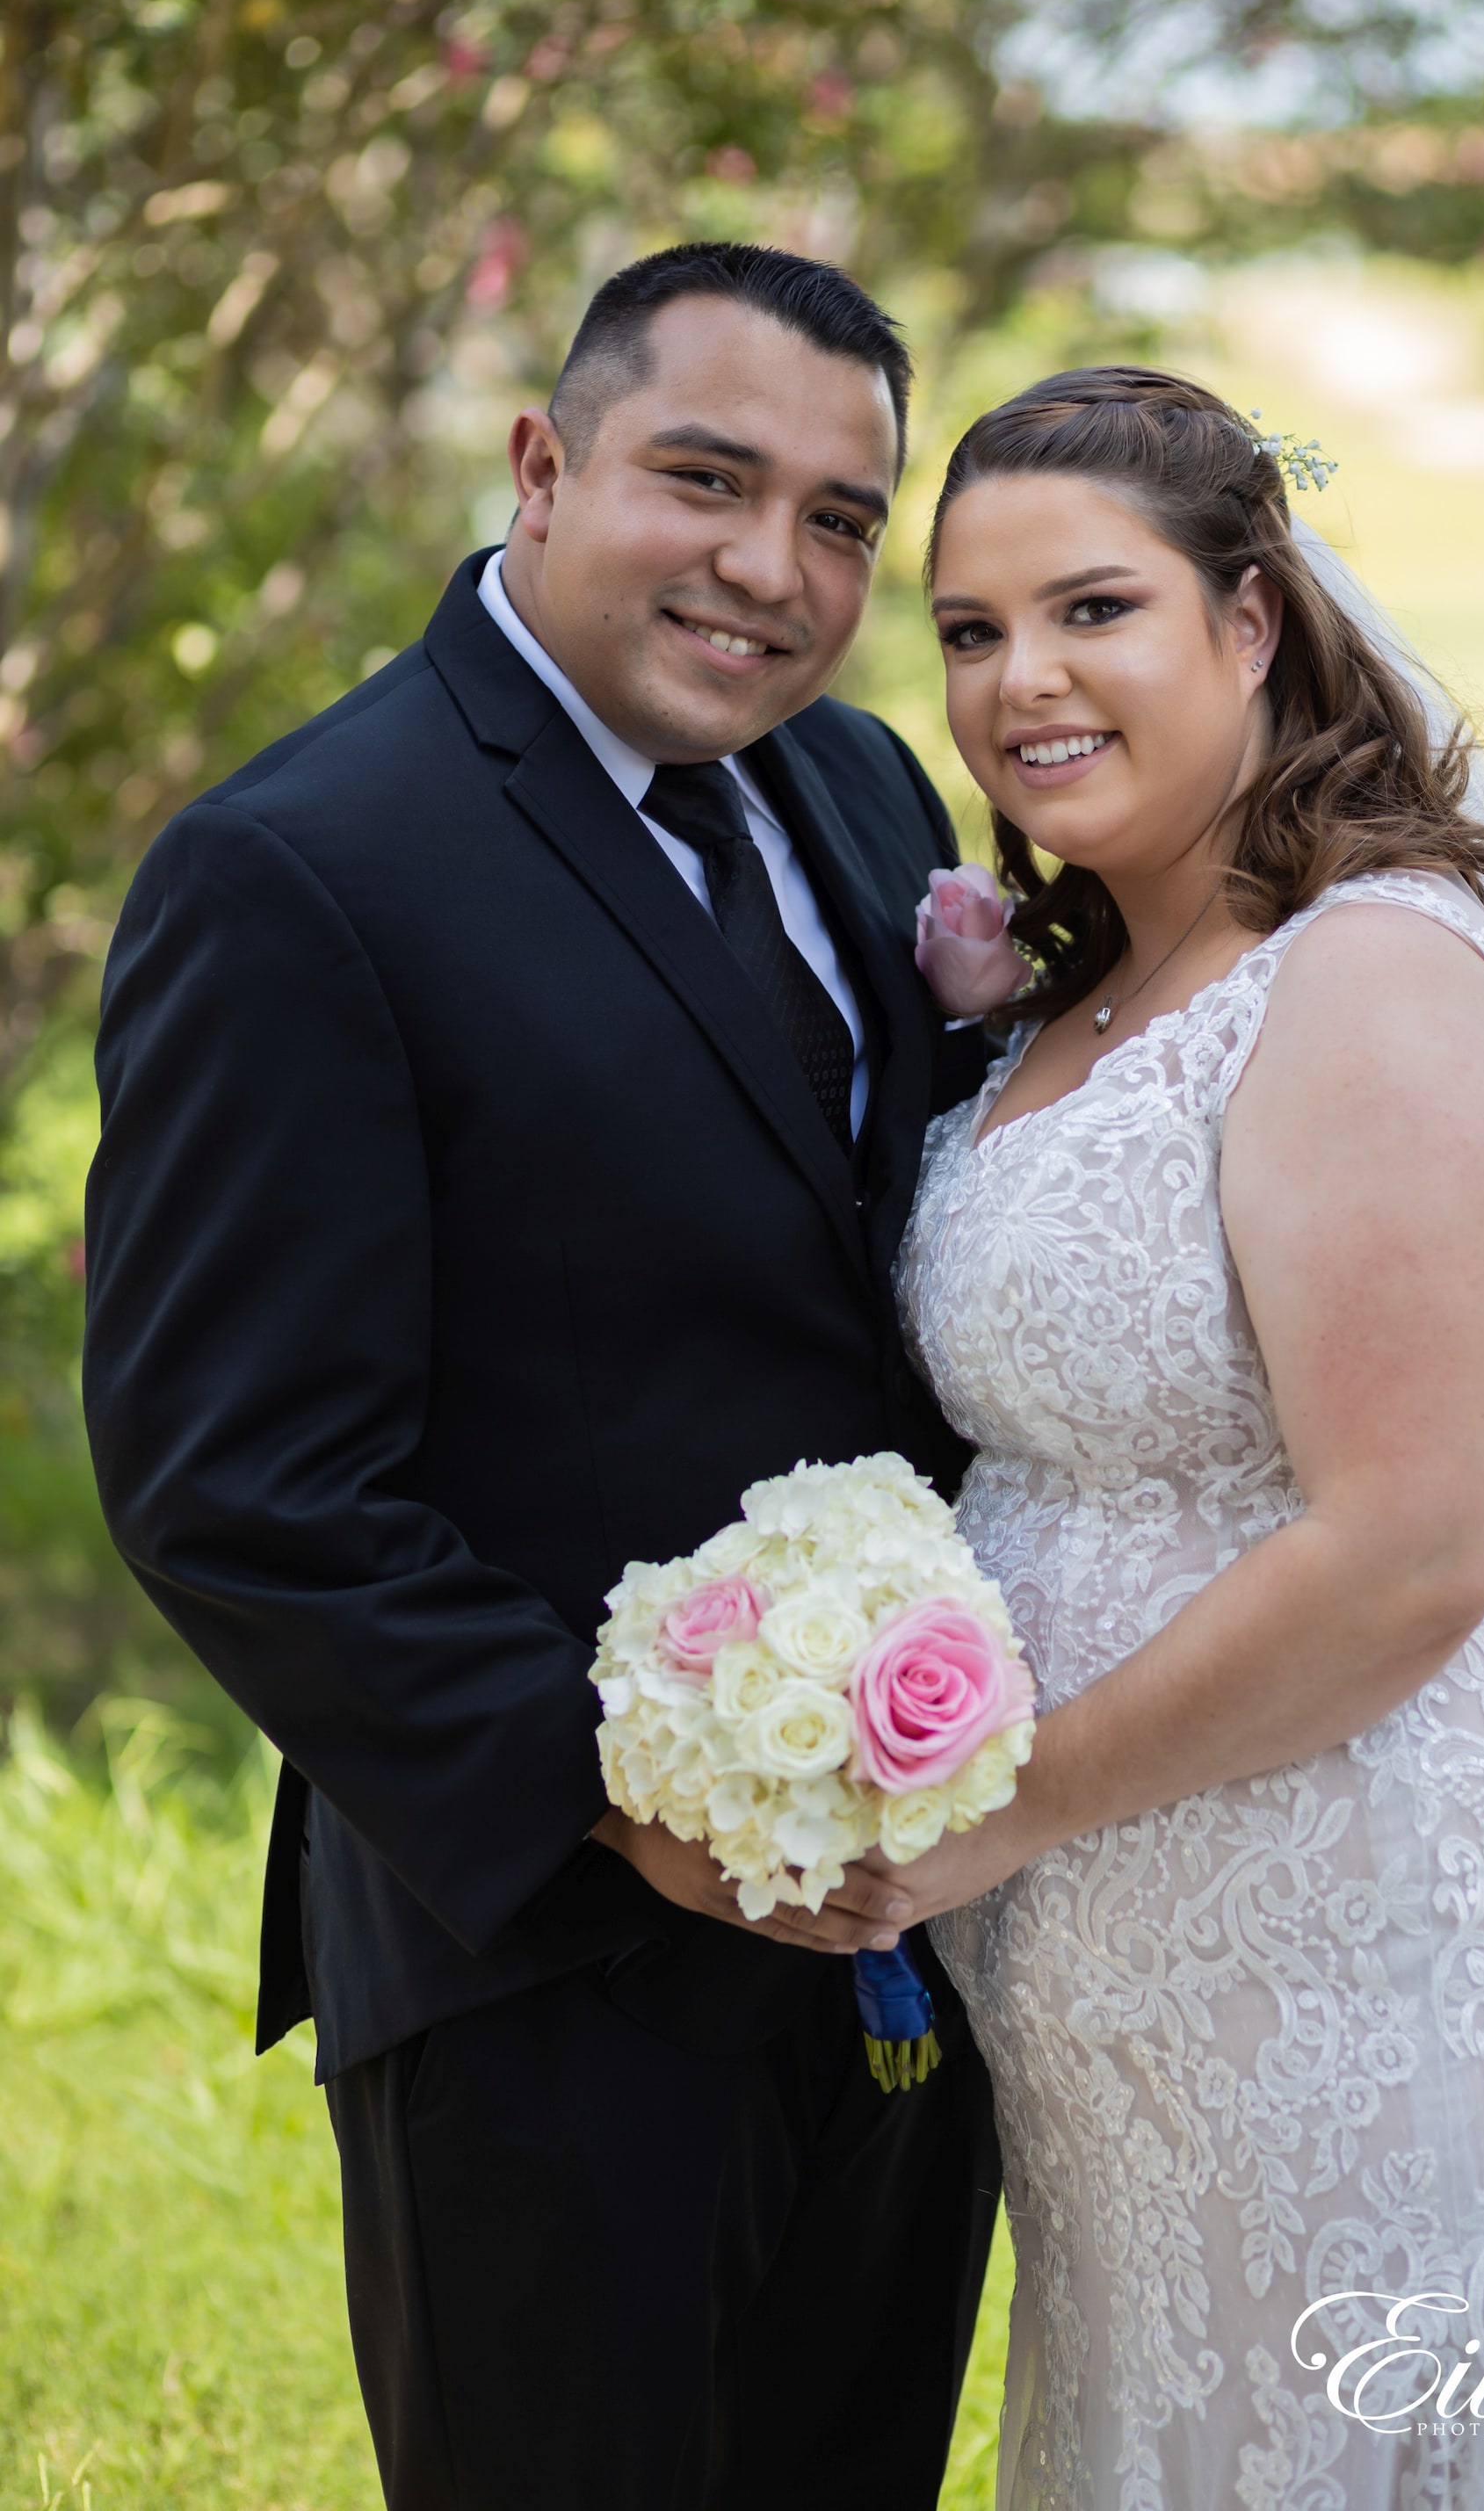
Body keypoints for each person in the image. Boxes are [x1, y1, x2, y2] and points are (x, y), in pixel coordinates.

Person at [82, 242, 1003, 2511]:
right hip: (547, 1968)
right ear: (543, 462)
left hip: (910, 1935)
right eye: (706, 478)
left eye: (838, 522)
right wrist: (630, 1805)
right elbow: (238, 1477)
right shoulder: (301, 870)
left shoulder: (868, 788)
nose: (769, 569)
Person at [884, 366, 1484, 2508]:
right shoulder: (1088, 988)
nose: (1020, 681)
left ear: (1252, 620)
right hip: (1142, 1969)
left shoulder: (1365, 981)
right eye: (966, 629)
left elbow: (1418, 1543)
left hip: (1370, 1913)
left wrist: (1007, 1806)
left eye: (1090, 608)